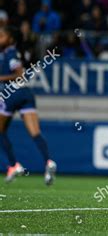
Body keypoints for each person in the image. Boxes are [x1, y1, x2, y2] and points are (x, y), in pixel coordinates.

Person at [0, 26, 57, 185]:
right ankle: (48, 162)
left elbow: (19, 74)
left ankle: (13, 165)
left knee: (0, 131)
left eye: (2, 36)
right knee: (35, 133)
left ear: (10, 39)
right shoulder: (13, 52)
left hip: (12, 94)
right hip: (26, 93)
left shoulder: (10, 53)